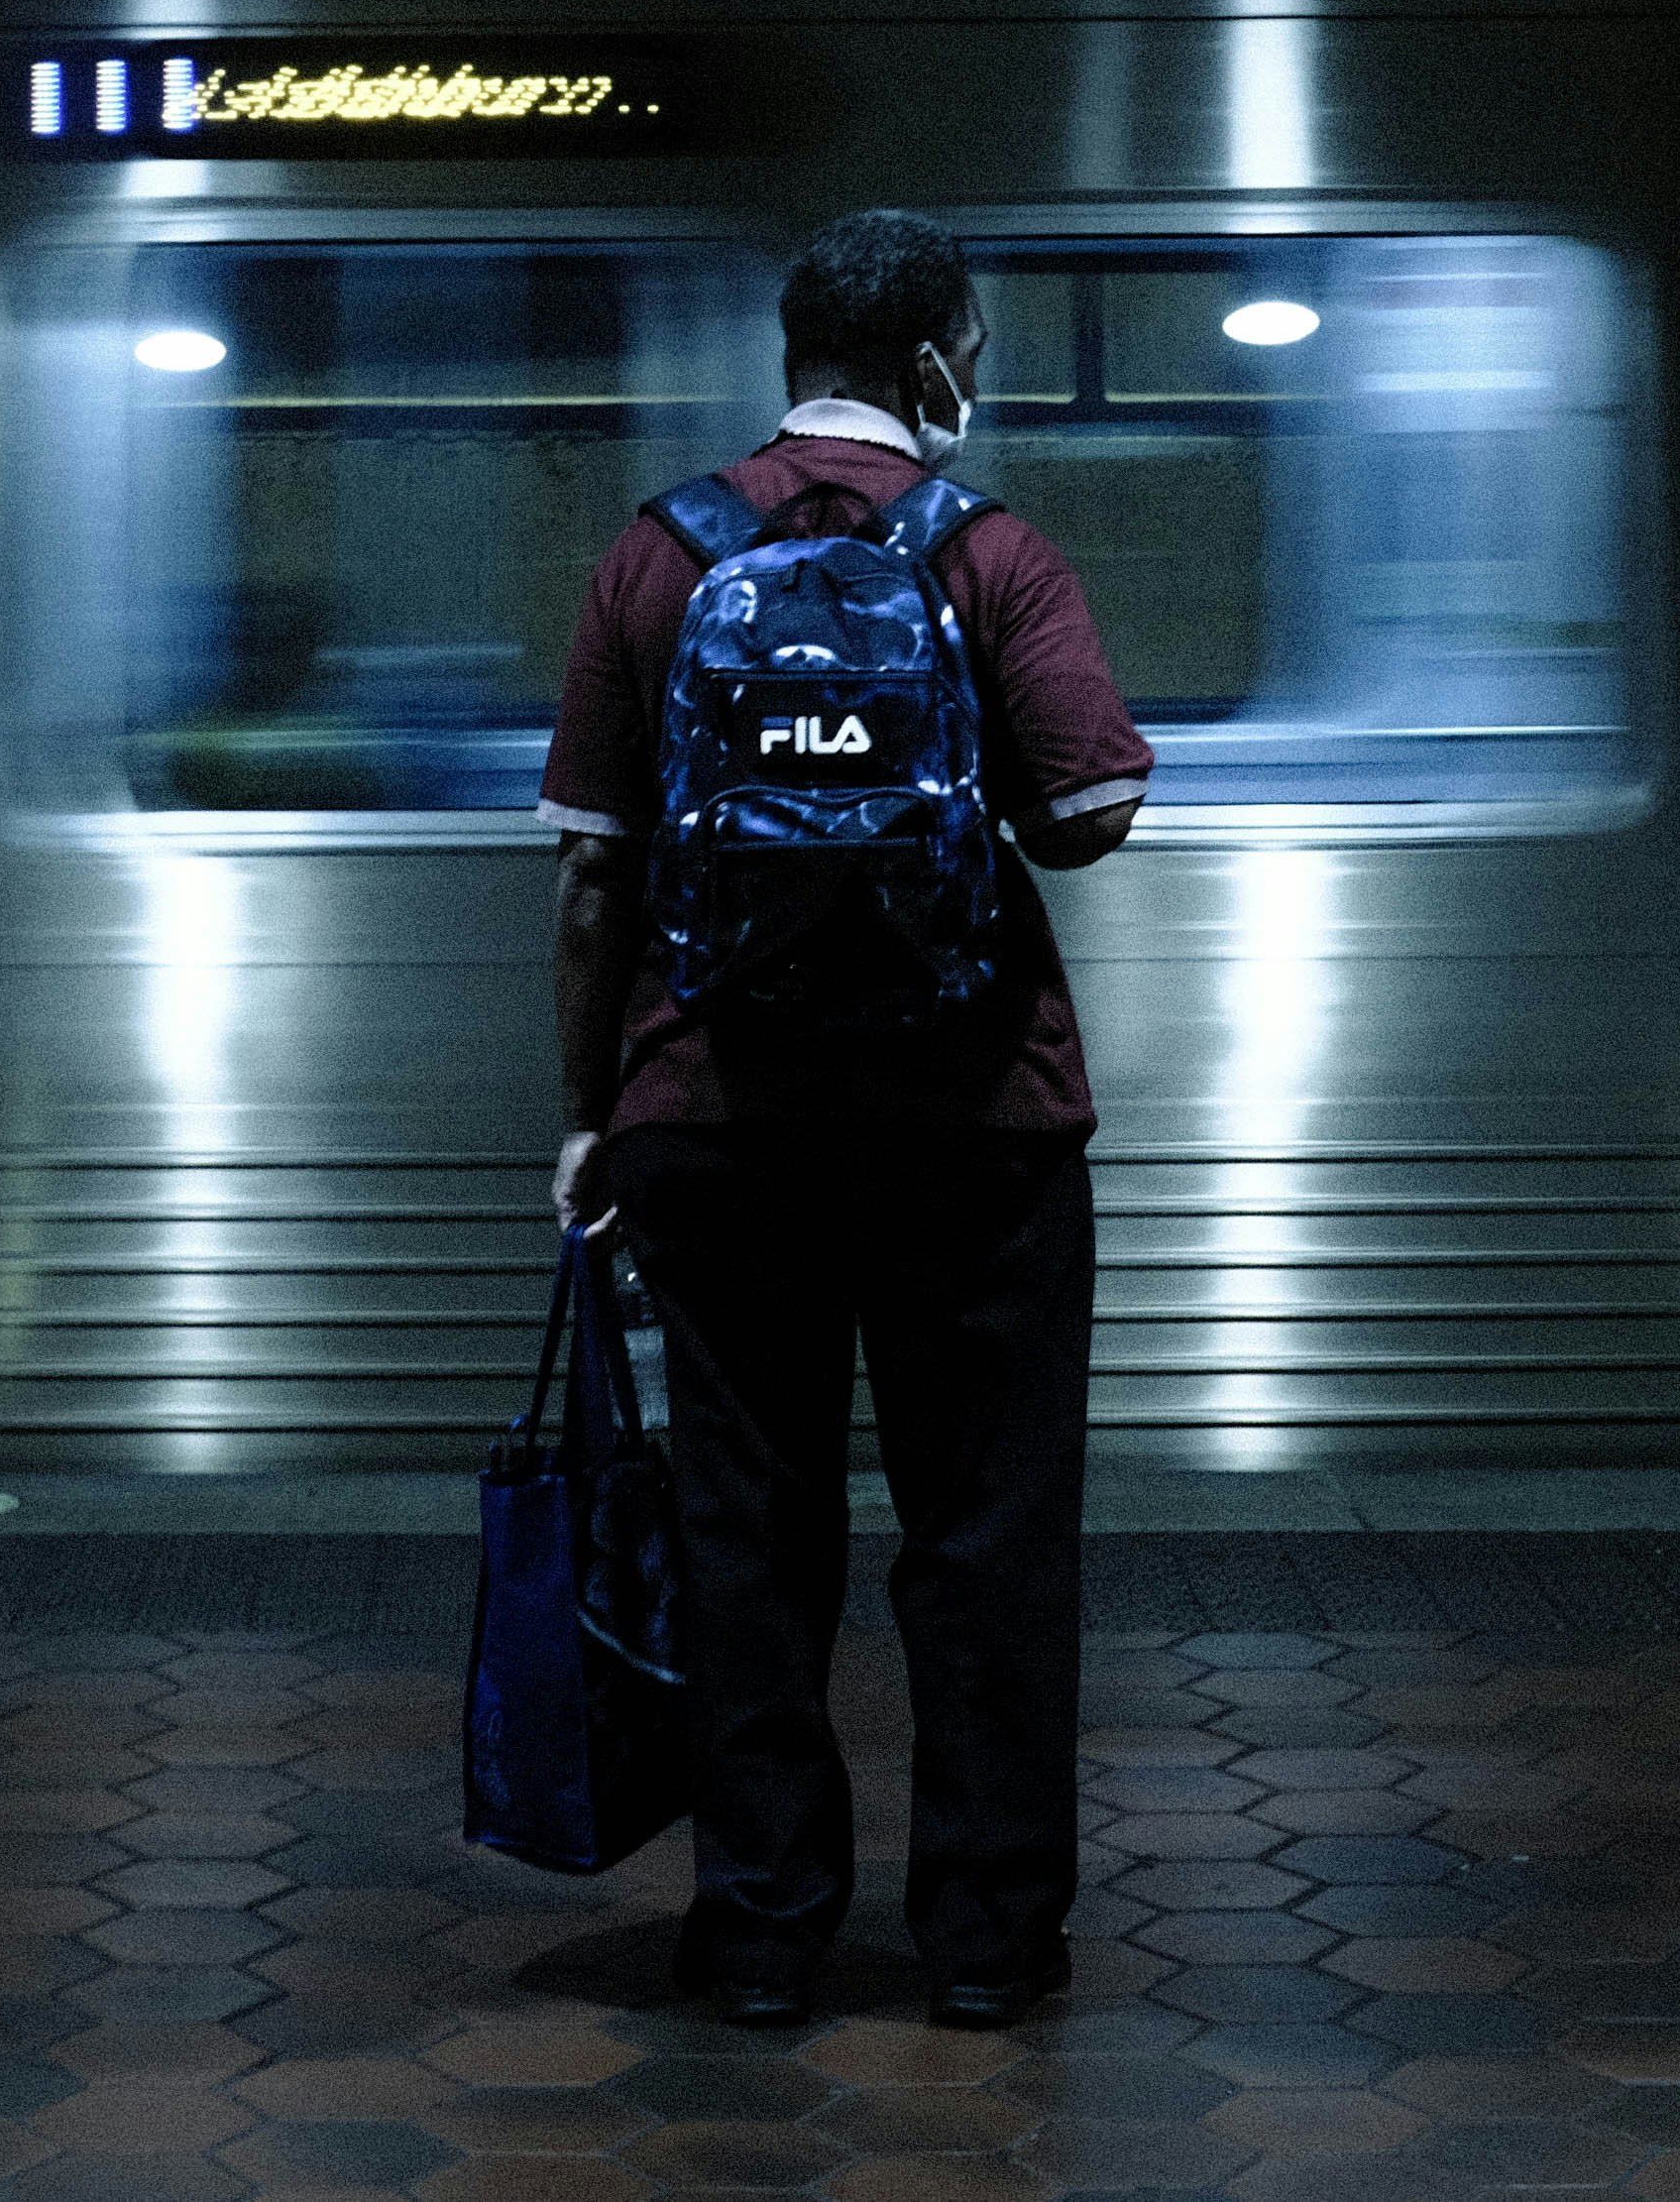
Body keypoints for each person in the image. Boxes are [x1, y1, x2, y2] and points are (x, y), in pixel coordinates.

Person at [532, 206, 1152, 2032]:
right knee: (990, 1538)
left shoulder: (660, 555)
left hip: (714, 1120)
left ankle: (763, 1931)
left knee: (748, 1529)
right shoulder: (990, 555)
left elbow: (591, 885)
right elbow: (1096, 802)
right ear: (941, 356)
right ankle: (982, 1946)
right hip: (981, 1125)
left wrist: (595, 1117)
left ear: (794, 354)